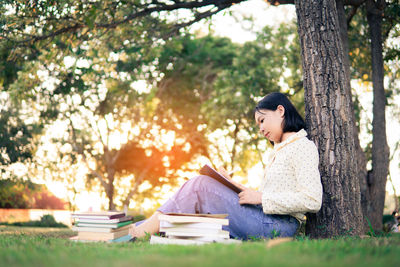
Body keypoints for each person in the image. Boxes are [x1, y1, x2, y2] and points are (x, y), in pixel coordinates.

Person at [129, 92, 323, 240]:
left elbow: (312, 200)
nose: (261, 129)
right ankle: (140, 230)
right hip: (267, 218)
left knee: (200, 185)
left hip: (279, 226)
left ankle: (140, 233)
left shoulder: (302, 147)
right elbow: (263, 198)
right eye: (258, 124)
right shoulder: (280, 151)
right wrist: (230, 183)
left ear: (280, 111)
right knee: (202, 186)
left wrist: (262, 198)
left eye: (262, 120)